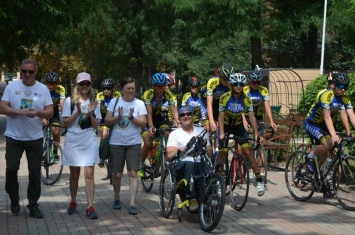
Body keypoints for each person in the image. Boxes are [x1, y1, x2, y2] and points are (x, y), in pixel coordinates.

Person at [0, 59, 54, 218]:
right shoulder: (12, 86)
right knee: (11, 169)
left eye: (30, 71)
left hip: (34, 138)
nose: (27, 74)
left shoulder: (42, 89)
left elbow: (50, 112)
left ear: (36, 72)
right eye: (24, 71)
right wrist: (19, 112)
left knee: (34, 173)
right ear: (21, 71)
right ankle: (14, 197)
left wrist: (37, 113)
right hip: (14, 137)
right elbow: (2, 107)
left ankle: (33, 204)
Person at [304, 72, 355, 197]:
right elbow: (327, 117)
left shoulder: (345, 98)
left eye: (345, 87)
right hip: (312, 123)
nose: (343, 90)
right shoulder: (326, 95)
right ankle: (309, 157)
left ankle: (319, 176)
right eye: (340, 87)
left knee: (326, 153)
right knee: (330, 143)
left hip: (323, 125)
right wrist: (333, 135)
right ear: (335, 85)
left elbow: (351, 115)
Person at [104, 77, 147, 215]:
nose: (131, 91)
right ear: (122, 88)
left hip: (133, 143)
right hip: (116, 143)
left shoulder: (139, 103)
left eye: (133, 88)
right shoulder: (114, 102)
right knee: (116, 174)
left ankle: (132, 203)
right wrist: (118, 117)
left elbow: (143, 123)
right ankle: (117, 198)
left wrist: (131, 118)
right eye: (128, 88)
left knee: (133, 173)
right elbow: (107, 121)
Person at [218, 73, 265, 196]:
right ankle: (218, 181)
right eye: (236, 84)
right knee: (222, 153)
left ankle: (259, 180)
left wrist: (255, 132)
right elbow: (221, 116)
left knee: (248, 152)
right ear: (232, 85)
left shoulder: (246, 99)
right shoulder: (225, 97)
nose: (238, 87)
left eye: (241, 85)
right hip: (226, 125)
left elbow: (251, 116)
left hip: (238, 126)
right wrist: (222, 132)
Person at [62, 72, 101, 219]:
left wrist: (91, 113)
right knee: (74, 175)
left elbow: (97, 126)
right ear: (77, 85)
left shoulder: (94, 102)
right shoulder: (69, 101)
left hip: (89, 140)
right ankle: (73, 201)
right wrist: (78, 112)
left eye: (87, 84)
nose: (84, 86)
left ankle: (90, 206)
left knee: (89, 175)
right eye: (81, 84)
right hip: (73, 141)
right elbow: (66, 123)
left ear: (90, 85)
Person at [166, 106, 210, 211]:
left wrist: (203, 145)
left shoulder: (201, 131)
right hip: (182, 164)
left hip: (200, 162)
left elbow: (210, 152)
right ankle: (193, 198)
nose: (186, 116)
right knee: (190, 163)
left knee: (208, 165)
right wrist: (182, 148)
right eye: (182, 115)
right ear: (179, 119)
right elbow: (169, 155)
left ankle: (211, 194)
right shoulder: (174, 134)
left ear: (193, 116)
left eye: (188, 114)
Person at [139, 73, 180, 170]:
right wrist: (151, 126)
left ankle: (162, 158)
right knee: (148, 143)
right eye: (158, 86)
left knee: (167, 133)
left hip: (158, 116)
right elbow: (148, 111)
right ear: (154, 86)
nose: (161, 89)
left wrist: (178, 123)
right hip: (144, 117)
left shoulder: (168, 94)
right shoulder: (148, 94)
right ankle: (140, 163)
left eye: (163, 86)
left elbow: (174, 110)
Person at [96, 78, 122, 167]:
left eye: (109, 89)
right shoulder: (100, 96)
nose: (106, 91)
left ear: (113, 88)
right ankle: (102, 157)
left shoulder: (117, 95)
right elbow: (97, 109)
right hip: (103, 118)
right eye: (105, 89)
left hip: (114, 117)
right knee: (104, 134)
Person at [201, 63, 233, 132]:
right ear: (220, 76)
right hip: (205, 98)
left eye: (228, 79)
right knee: (209, 120)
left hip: (217, 99)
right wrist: (211, 121)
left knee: (218, 123)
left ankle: (217, 141)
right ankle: (208, 140)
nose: (226, 81)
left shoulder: (230, 85)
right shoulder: (212, 82)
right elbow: (209, 104)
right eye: (224, 79)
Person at [42, 72, 66, 162]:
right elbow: (40, 104)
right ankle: (39, 152)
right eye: (49, 83)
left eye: (53, 83)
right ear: (46, 82)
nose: (51, 86)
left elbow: (62, 104)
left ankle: (55, 152)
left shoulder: (61, 89)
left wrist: (65, 117)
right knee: (38, 134)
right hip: (42, 110)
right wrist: (43, 118)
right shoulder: (42, 89)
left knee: (56, 132)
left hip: (54, 111)